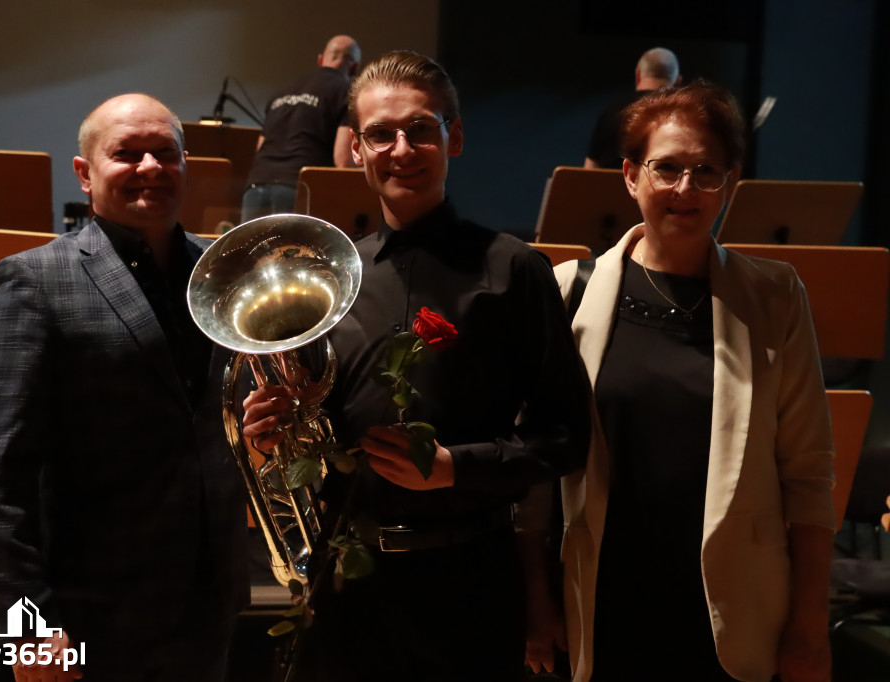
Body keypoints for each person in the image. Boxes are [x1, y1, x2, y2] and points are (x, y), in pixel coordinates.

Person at [243, 50, 592, 682]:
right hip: (347, 588)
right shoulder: (329, 281)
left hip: (469, 584)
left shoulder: (513, 270)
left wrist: (457, 468)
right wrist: (272, 441)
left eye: (420, 129)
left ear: (453, 137)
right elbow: (317, 433)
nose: (401, 148)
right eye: (380, 133)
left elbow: (567, 437)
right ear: (356, 150)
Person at [545, 81, 835, 682]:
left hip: (732, 613)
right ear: (630, 175)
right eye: (667, 168)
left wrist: (810, 628)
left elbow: (808, 477)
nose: (685, 189)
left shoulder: (776, 294)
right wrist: (532, 603)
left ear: (729, 184)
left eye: (706, 172)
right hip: (604, 599)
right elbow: (536, 480)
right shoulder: (567, 291)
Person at [0, 93, 248, 682]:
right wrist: (27, 628)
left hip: (208, 601)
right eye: (126, 153)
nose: (150, 168)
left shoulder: (221, 272)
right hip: (91, 612)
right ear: (84, 173)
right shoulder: (34, 278)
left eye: (164, 153)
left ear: (185, 164)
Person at [241, 35, 361, 222]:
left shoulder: (282, 91)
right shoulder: (347, 91)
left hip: (256, 186)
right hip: (299, 188)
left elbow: (261, 147)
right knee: (295, 252)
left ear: (320, 59)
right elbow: (343, 160)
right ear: (354, 68)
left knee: (251, 251)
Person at [584, 47, 681, 169]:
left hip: (609, 188)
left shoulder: (611, 113)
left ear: (638, 75)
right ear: (678, 81)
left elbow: (590, 170)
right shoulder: (680, 117)